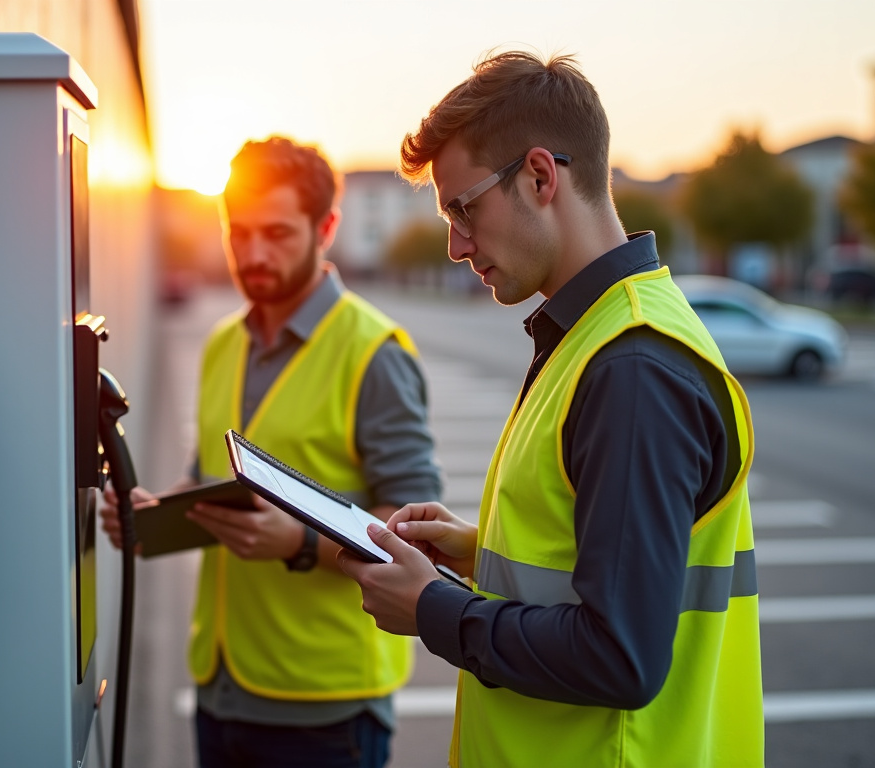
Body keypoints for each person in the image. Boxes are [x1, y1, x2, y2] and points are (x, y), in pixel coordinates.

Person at [337, 52, 764, 767]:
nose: (454, 244)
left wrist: (434, 610)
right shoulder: (604, 331)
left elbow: (619, 658)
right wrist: (480, 552)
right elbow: (611, 561)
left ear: (541, 177)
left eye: (463, 207)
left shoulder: (631, 368)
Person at [100, 137, 442, 768]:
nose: (254, 254)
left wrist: (301, 543)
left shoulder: (375, 353)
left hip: (327, 710)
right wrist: (150, 514)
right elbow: (208, 482)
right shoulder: (221, 343)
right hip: (221, 689)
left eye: (278, 233)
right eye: (241, 232)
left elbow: (412, 530)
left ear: (327, 228)